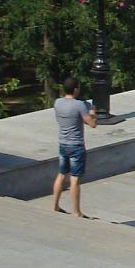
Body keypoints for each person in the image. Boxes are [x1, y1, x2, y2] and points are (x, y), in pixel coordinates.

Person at [50, 77, 97, 218]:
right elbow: (92, 124)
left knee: (61, 173)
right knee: (75, 179)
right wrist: (92, 111)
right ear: (76, 89)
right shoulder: (79, 105)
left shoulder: (57, 103)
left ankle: (55, 206)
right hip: (76, 145)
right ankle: (76, 212)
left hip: (62, 143)